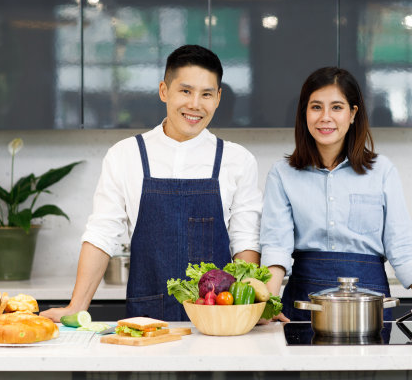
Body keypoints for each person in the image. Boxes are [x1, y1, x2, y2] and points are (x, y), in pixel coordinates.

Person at [41, 45, 262, 322]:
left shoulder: (237, 160)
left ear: (218, 98)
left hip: (218, 320)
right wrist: (77, 306)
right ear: (163, 91)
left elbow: (246, 242)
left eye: (206, 94)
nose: (195, 104)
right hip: (147, 320)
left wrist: (248, 307)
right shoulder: (125, 155)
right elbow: (101, 234)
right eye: (185, 91)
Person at [260, 67, 412, 324]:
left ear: (353, 113)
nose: (325, 117)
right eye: (315, 107)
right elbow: (276, 247)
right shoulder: (282, 174)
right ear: (304, 113)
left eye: (336, 107)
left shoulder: (382, 170)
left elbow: (401, 248)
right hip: (305, 304)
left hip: (370, 306)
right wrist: (268, 304)